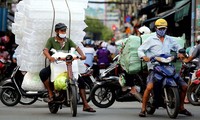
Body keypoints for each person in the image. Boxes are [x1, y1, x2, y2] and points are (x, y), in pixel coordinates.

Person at [137, 18, 192, 117]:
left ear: (166, 29)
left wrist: (180, 52)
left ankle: (181, 107)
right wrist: (143, 56)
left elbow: (178, 47)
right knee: (149, 87)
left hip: (168, 66)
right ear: (156, 28)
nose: (162, 30)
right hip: (155, 67)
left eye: (164, 28)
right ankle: (143, 109)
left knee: (184, 86)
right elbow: (140, 49)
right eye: (160, 28)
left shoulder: (170, 39)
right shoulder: (150, 39)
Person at [39, 23, 94, 112]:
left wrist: (82, 55)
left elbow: (77, 48)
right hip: (56, 64)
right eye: (62, 31)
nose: (63, 32)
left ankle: (85, 104)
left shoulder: (68, 40)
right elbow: (45, 50)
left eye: (64, 30)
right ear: (57, 31)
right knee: (43, 73)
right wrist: (50, 57)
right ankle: (50, 92)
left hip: (68, 65)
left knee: (81, 81)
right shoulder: (51, 40)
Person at [118, 26, 151, 102]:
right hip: (147, 63)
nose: (137, 34)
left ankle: (133, 89)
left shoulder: (137, 41)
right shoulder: (150, 40)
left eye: (138, 33)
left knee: (128, 71)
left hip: (143, 64)